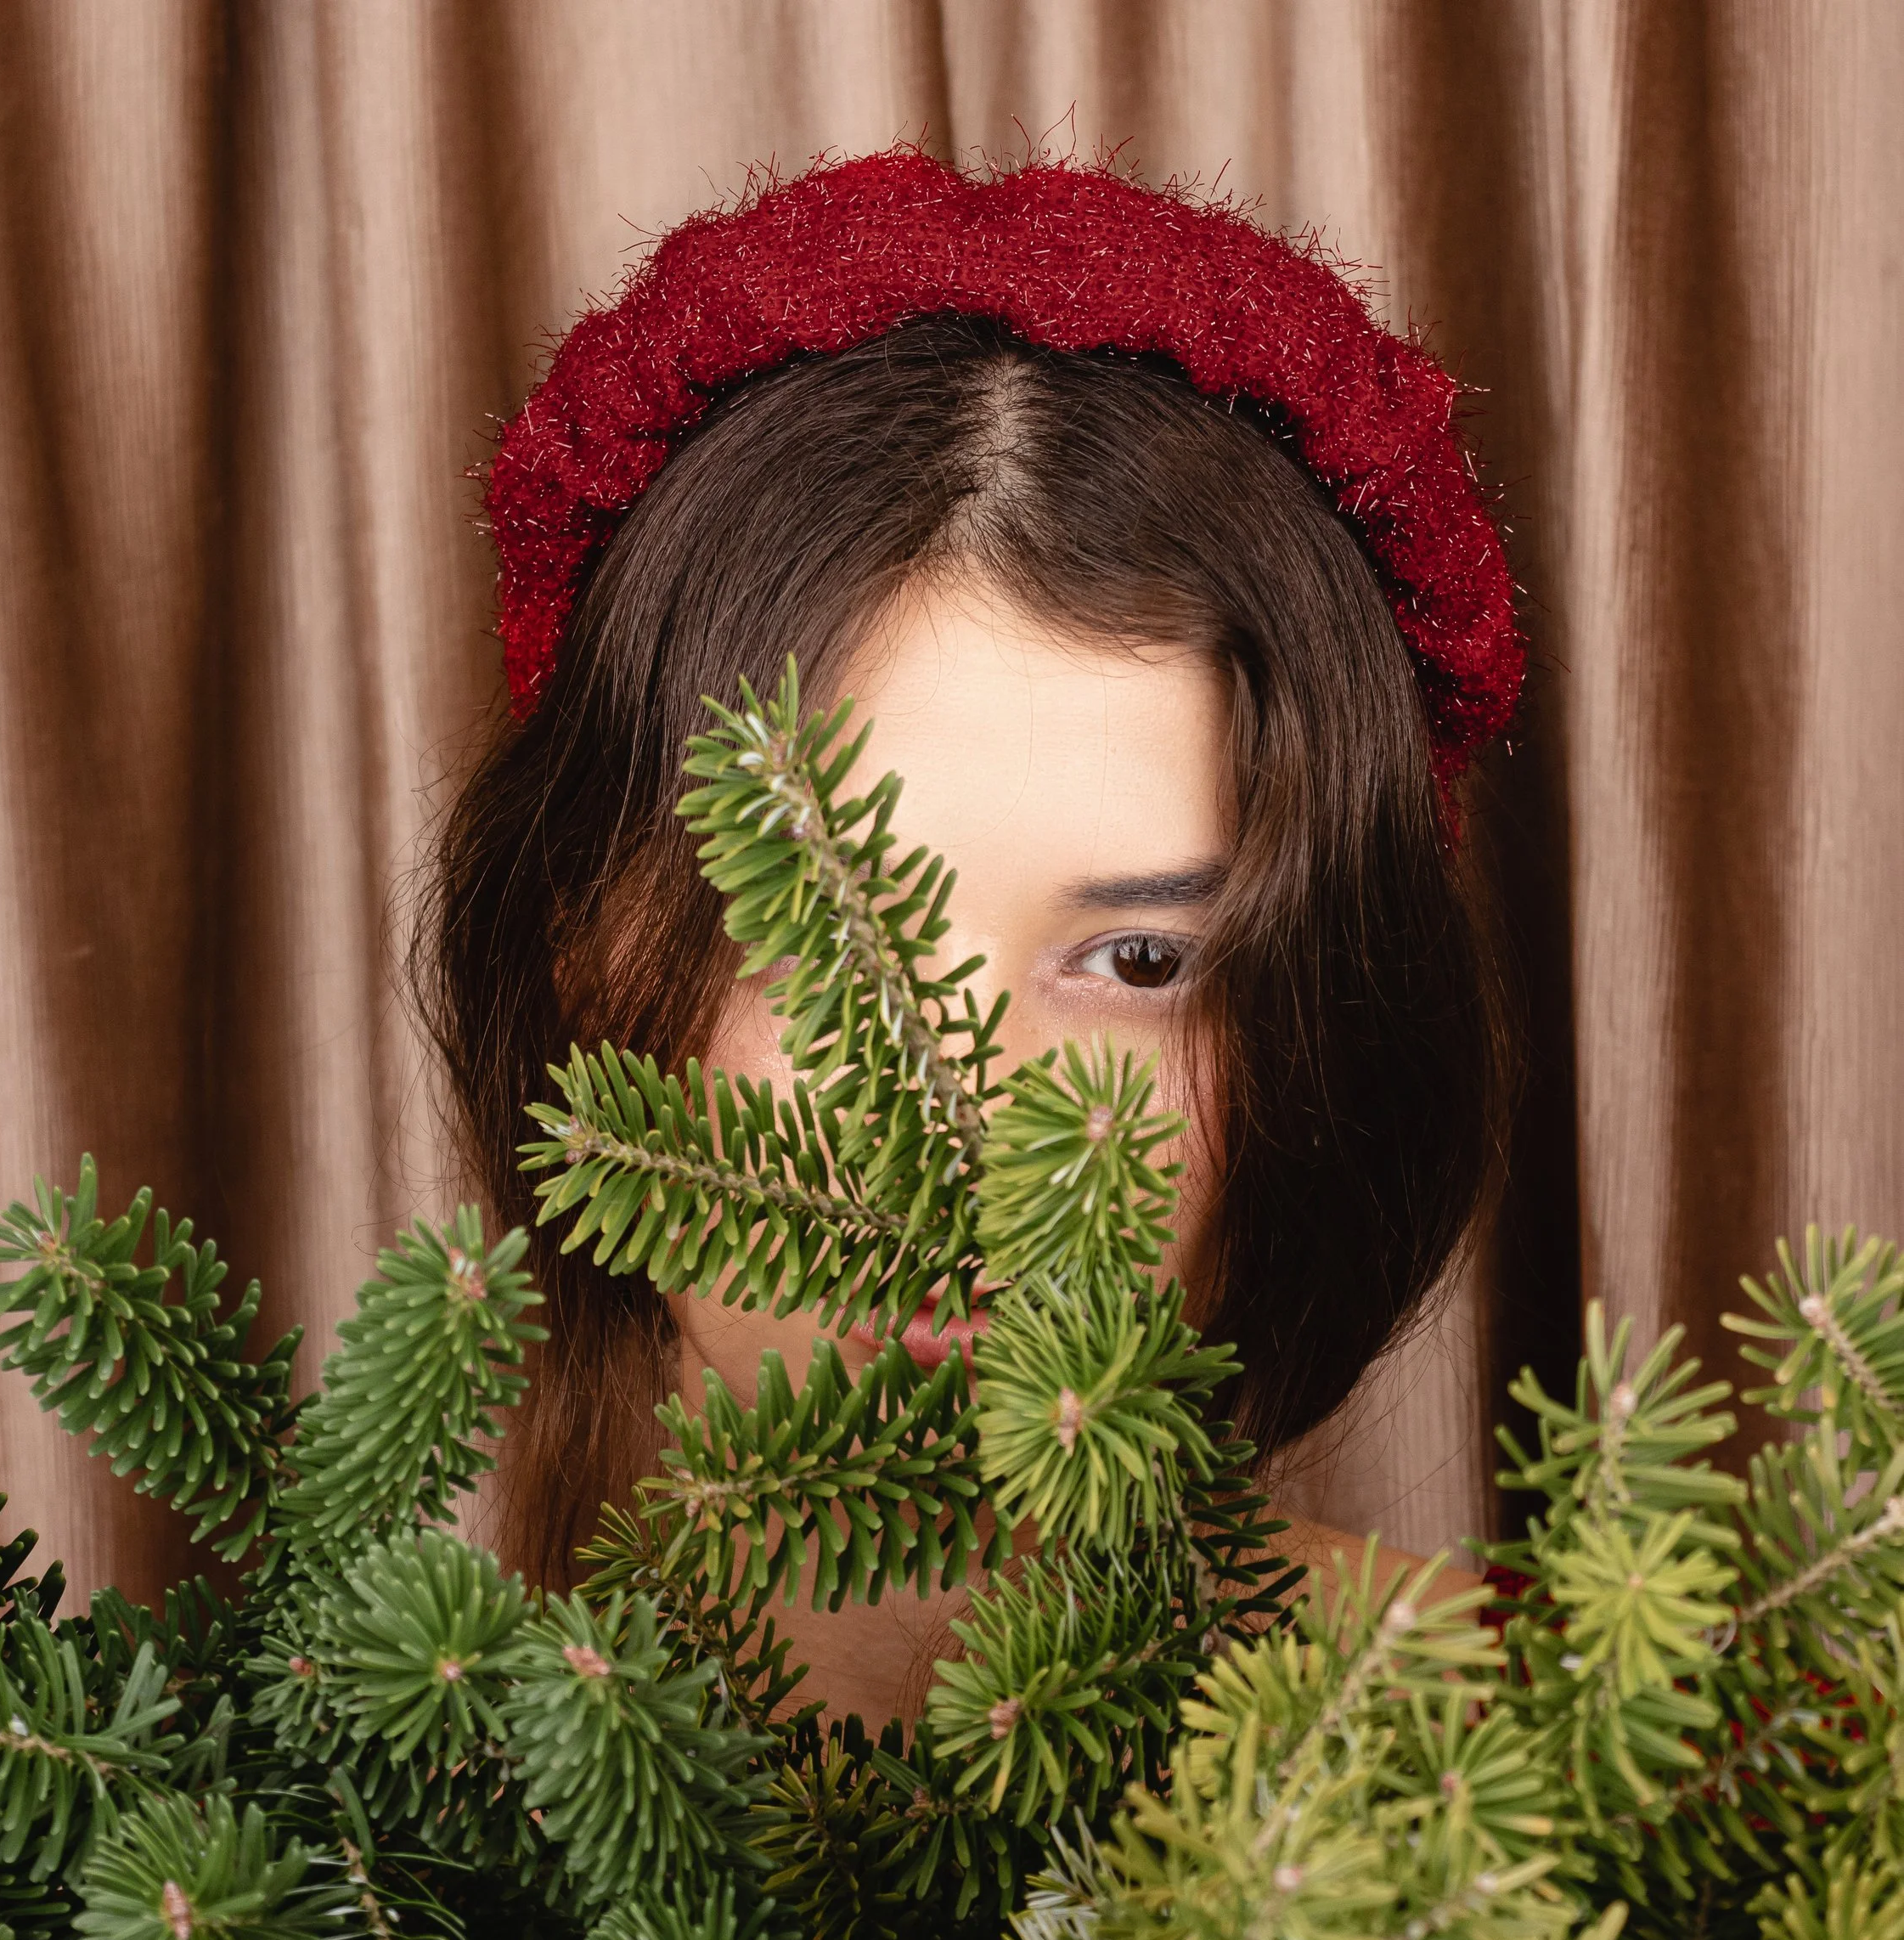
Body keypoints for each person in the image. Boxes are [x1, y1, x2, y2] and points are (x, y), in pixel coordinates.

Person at [419, 149, 1516, 1727]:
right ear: (588, 961)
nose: (964, 1123)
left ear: (1318, 1036)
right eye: (823, 941)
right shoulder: (330, 1885)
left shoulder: (1635, 1806)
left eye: (1141, 964)